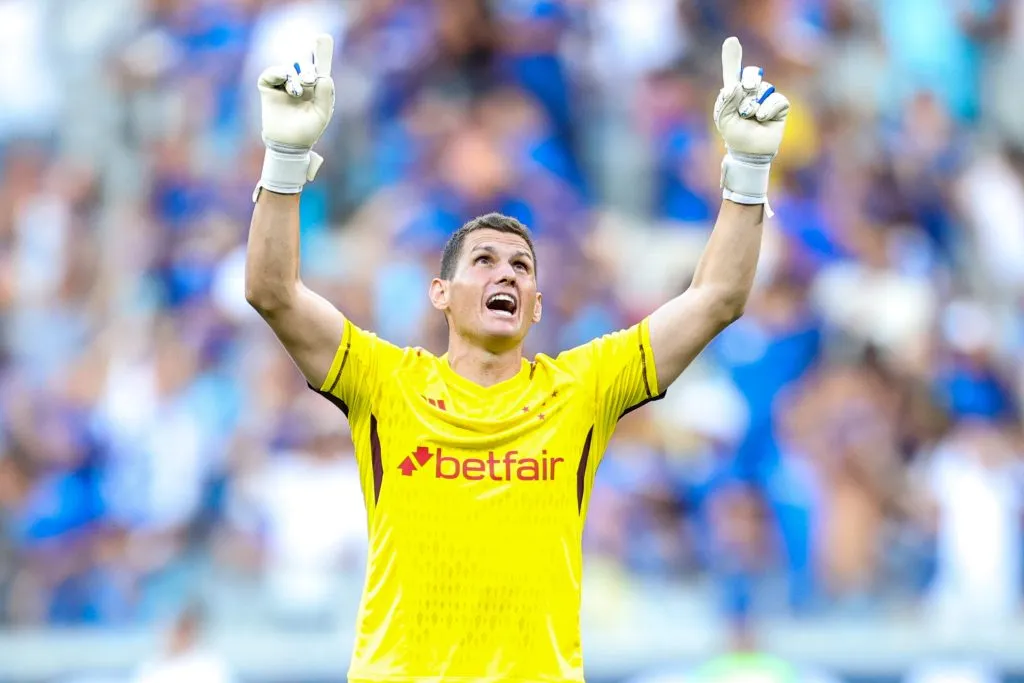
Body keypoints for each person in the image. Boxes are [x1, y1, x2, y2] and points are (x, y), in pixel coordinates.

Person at [245, 33, 789, 683]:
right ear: (441, 294)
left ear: (534, 304)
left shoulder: (582, 386)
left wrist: (749, 173)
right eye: (484, 259)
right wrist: (284, 156)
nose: (506, 272)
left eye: (522, 266)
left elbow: (718, 298)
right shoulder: (385, 381)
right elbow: (271, 292)